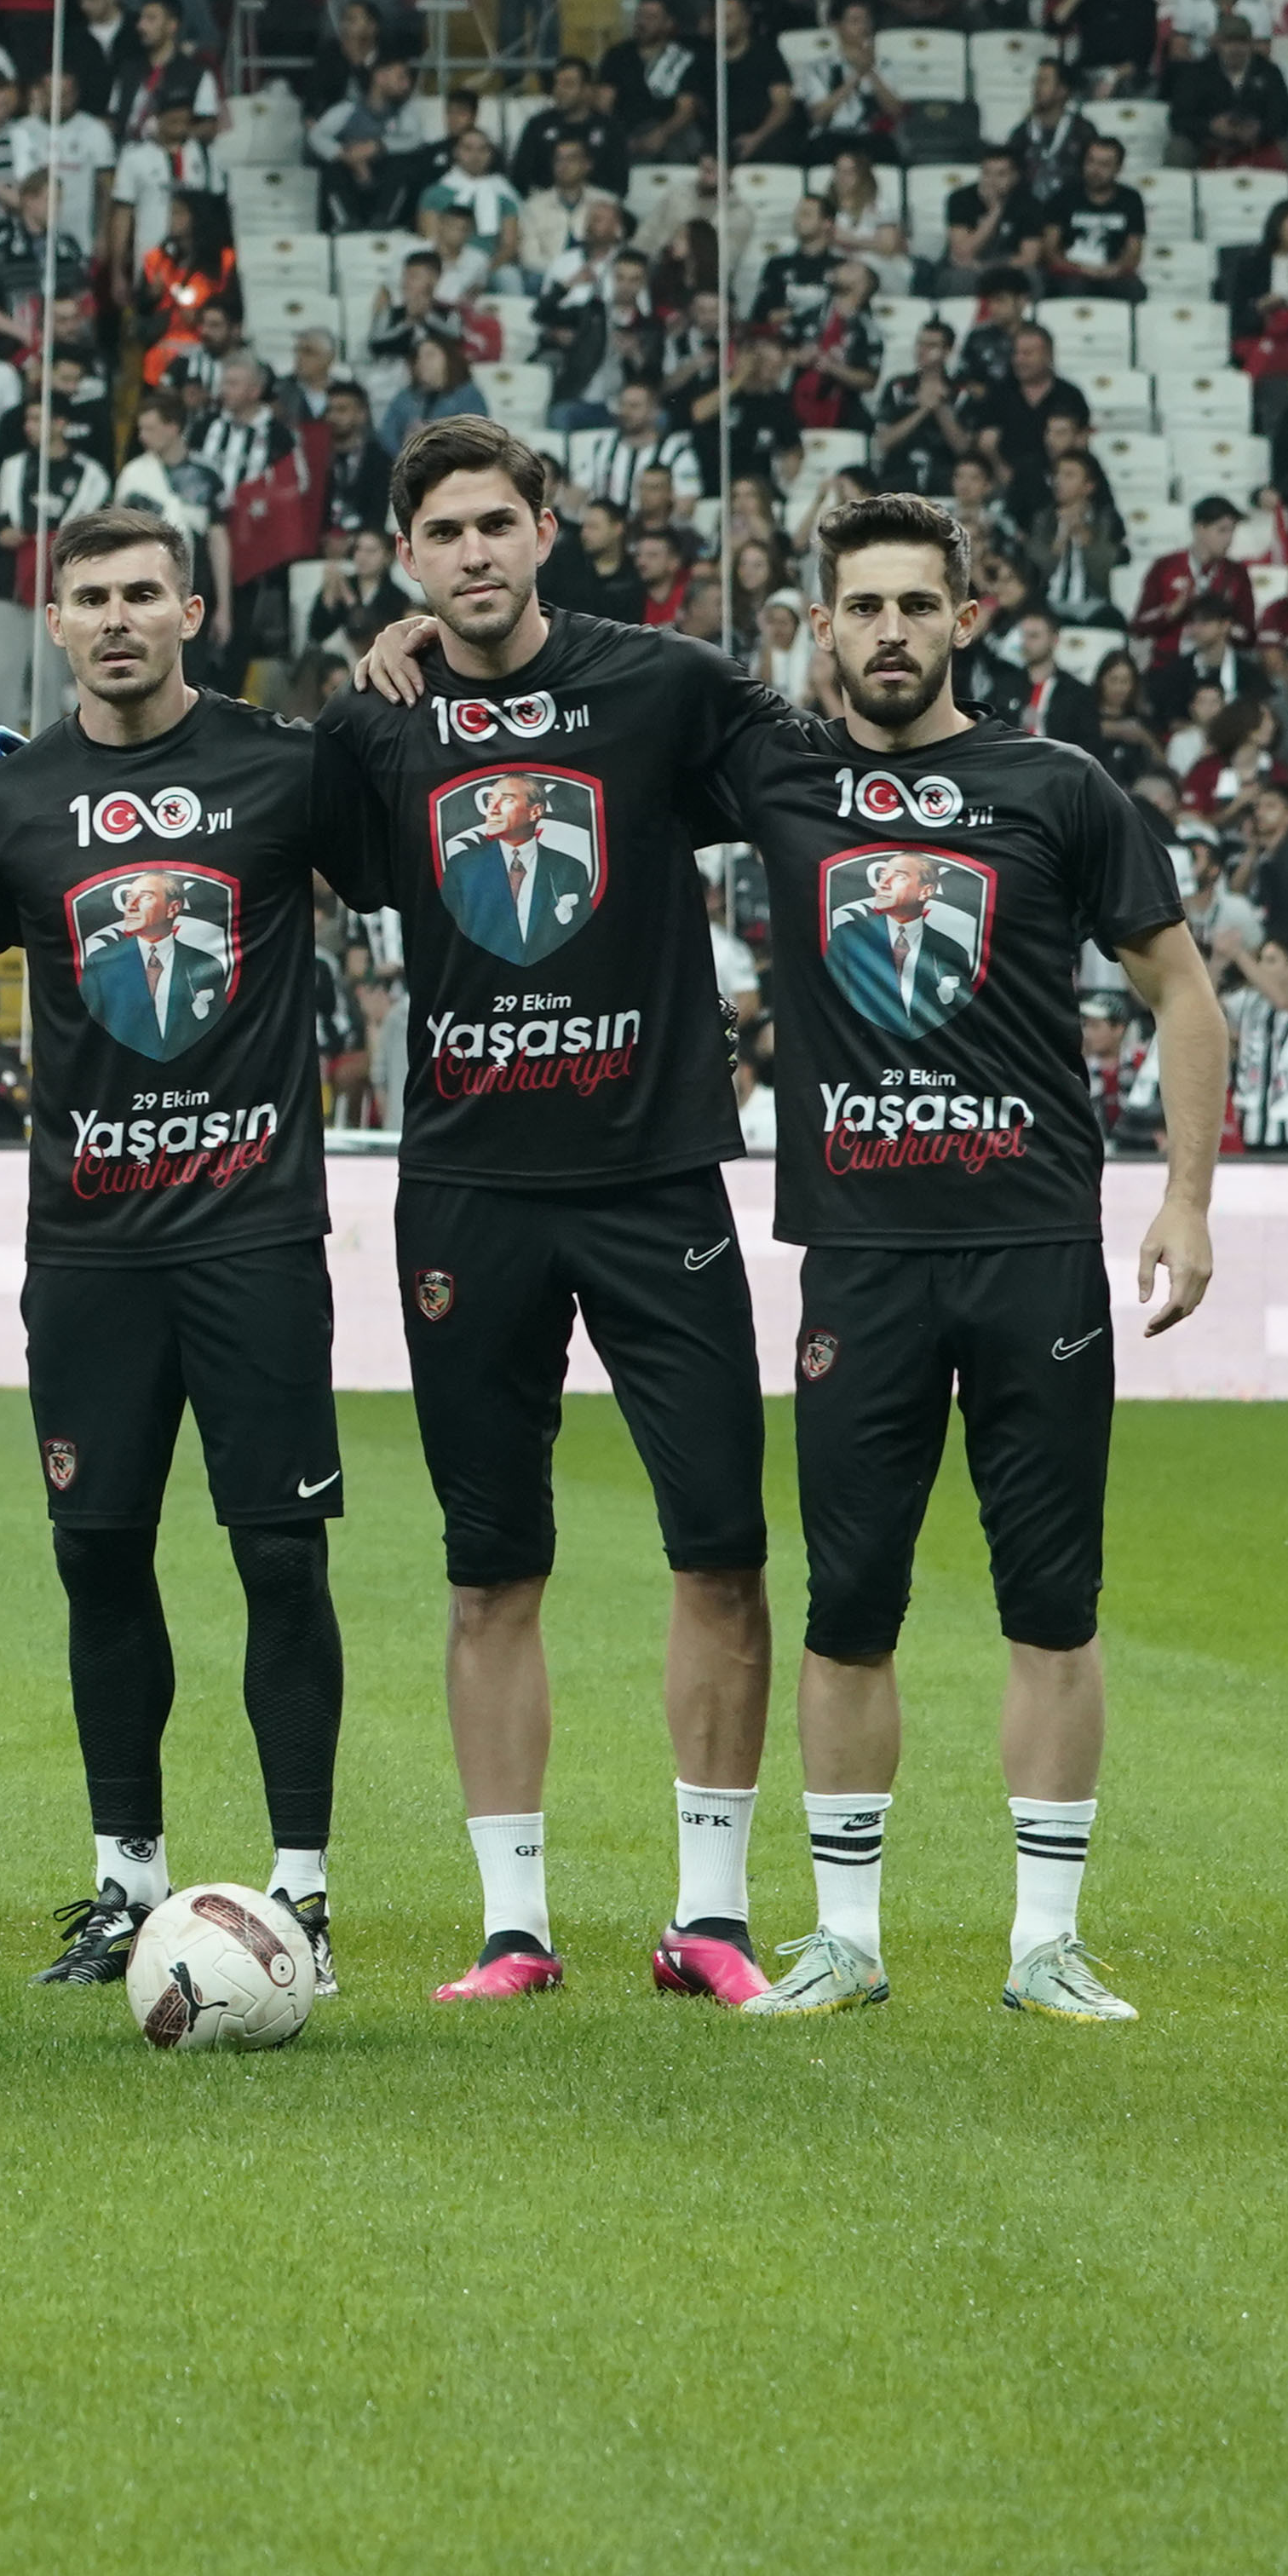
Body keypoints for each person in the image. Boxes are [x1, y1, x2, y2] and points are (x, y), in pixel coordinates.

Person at [710, 493, 1222, 2024]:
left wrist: (1186, 1199)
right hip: (860, 1258)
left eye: (915, 607)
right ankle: (847, 1943)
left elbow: (1186, 997)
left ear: (966, 620)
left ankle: (1042, 1944)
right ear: (820, 625)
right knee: (847, 1605)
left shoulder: (1056, 787)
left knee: (1051, 1604)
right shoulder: (780, 779)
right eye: (859, 608)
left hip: (1033, 1249)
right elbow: (587, 703)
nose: (888, 633)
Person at [315, 424, 787, 2005]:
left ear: (547, 529)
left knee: (721, 1547)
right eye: (441, 532)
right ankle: (514, 1927)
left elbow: (829, 783)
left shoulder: (665, 686)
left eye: (497, 524)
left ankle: (708, 1918)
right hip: (467, 1190)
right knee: (485, 1568)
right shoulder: (377, 725)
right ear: (404, 556)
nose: (473, 554)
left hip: (657, 1179)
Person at [0, 507, 359, 1994]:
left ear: (194, 610)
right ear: (56, 618)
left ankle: (300, 1894)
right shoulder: (10, 800)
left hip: (256, 1236)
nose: (114, 619)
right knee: (98, 1555)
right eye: (87, 598)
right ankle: (123, 1884)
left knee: (280, 1557)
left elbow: (425, 865)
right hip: (88, 1251)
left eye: (141, 594)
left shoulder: (286, 769)